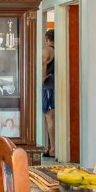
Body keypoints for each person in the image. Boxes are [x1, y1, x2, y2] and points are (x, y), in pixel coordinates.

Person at [41, 30, 56, 159]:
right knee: (51, 117)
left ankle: (53, 149)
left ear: (47, 39)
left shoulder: (47, 50)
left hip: (48, 87)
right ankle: (53, 148)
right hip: (54, 86)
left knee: (49, 117)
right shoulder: (58, 50)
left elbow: (43, 62)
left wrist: (42, 77)